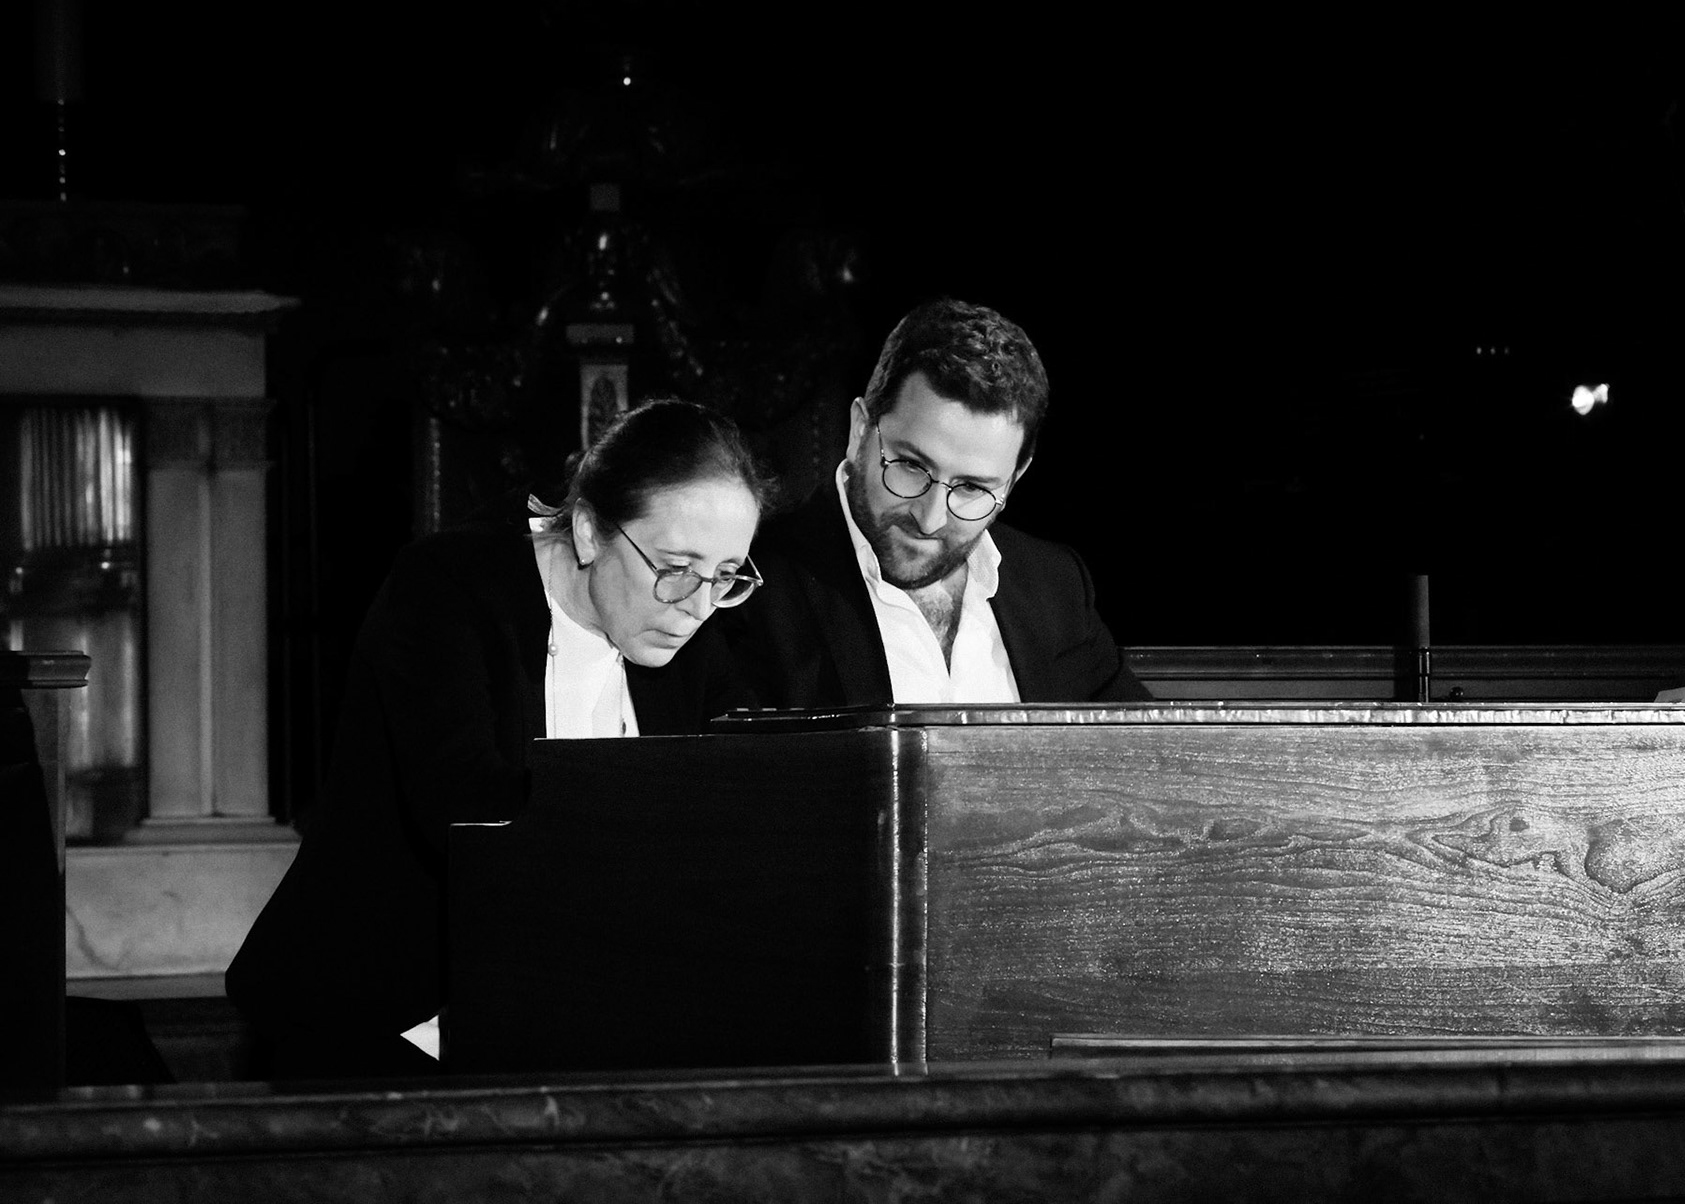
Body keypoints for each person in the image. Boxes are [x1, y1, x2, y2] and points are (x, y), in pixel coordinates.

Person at [226, 397, 773, 1079]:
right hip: (377, 1022)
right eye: (675, 564)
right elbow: (464, 806)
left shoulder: (686, 630)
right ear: (588, 531)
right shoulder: (446, 586)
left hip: (566, 1026)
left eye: (725, 576)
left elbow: (755, 781)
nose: (695, 605)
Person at [722, 297, 1148, 707]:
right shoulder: (746, 583)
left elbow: (1149, 760)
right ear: (859, 431)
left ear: (1015, 479)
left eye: (972, 488)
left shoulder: (1056, 587)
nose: (930, 518)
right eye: (910, 466)